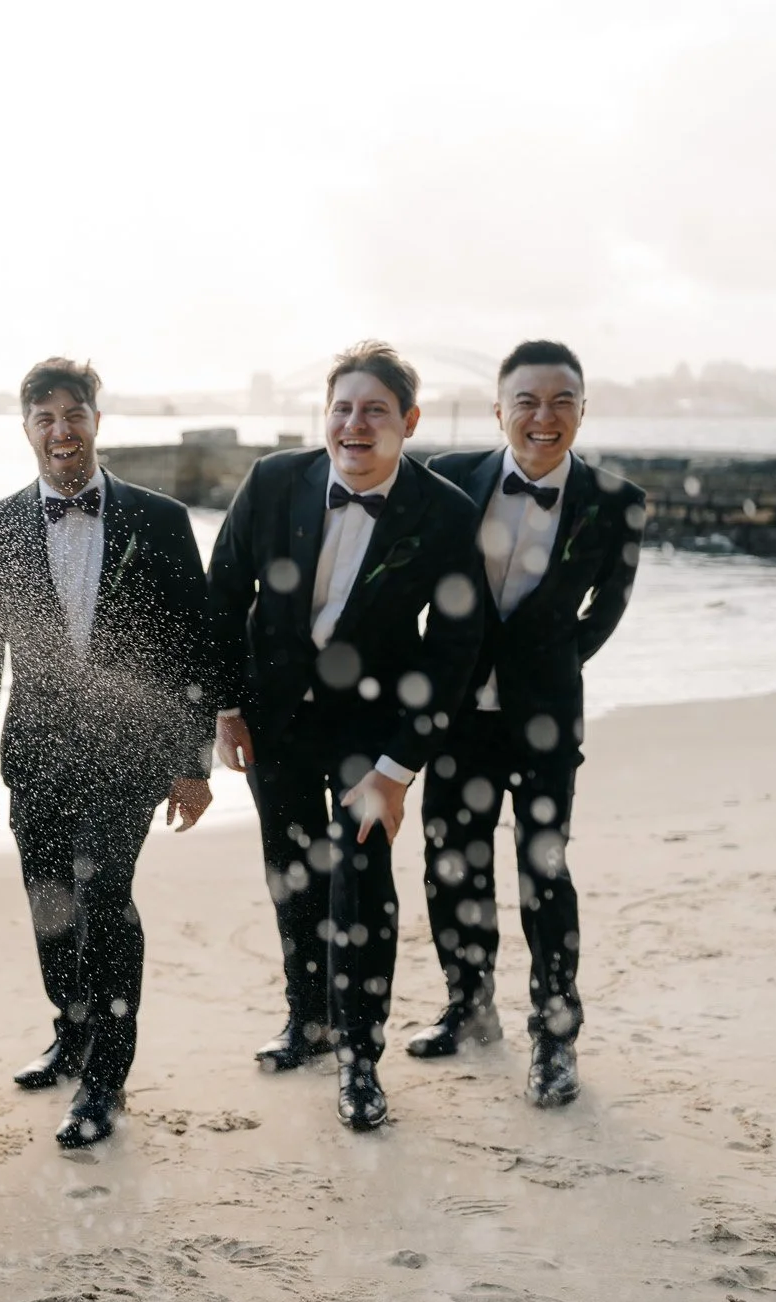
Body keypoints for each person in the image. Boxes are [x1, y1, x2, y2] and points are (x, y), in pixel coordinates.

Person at [208, 341, 488, 1131]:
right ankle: (310, 1018)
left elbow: (454, 648)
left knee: (361, 881)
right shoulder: (272, 482)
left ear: (409, 422)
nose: (354, 425)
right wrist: (226, 706)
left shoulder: (444, 514)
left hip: (376, 729)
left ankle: (361, 1057)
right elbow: (223, 594)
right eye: (341, 408)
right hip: (275, 718)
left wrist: (400, 768)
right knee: (291, 873)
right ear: (323, 416)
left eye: (374, 411)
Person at [0, 357, 224, 1149]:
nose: (60, 430)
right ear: (27, 429)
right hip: (36, 752)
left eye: (73, 414)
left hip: (130, 753)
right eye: (44, 418)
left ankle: (105, 1077)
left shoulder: (162, 519)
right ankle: (69, 1029)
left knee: (103, 895)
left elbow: (194, 646)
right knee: (50, 906)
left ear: (97, 421)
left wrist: (193, 759)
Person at [409, 340, 645, 1107]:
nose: (544, 417)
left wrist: (549, 665)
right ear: (499, 409)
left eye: (561, 400)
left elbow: (605, 609)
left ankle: (555, 1038)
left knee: (545, 872)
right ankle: (469, 1007)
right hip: (455, 718)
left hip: (545, 720)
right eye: (527, 401)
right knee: (452, 862)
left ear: (582, 407)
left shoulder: (617, 500)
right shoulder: (446, 478)